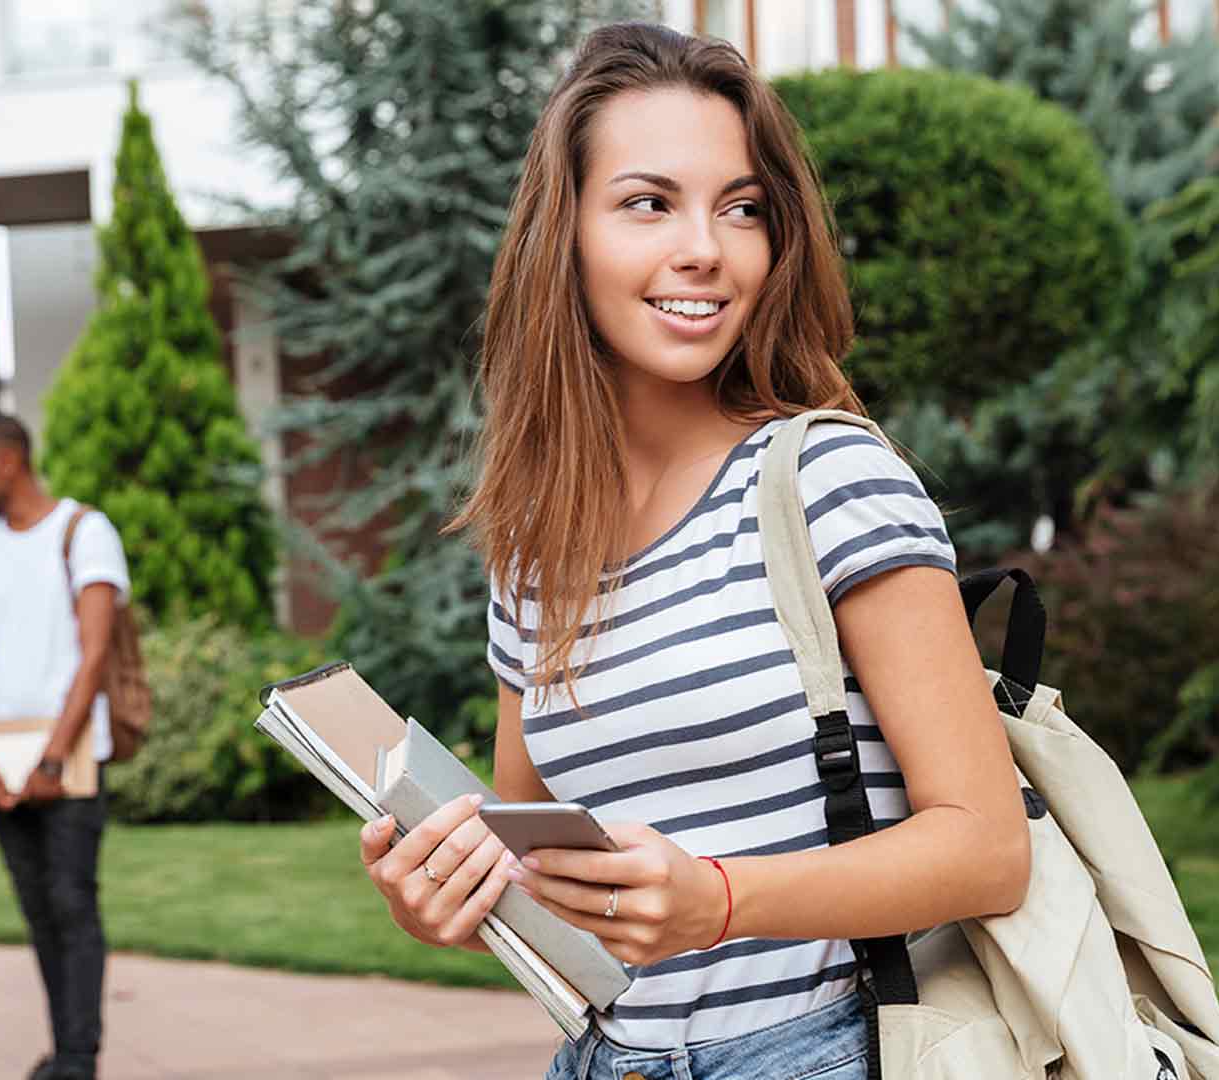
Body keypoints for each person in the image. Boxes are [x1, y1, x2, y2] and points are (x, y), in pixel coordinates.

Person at [357, 23, 1032, 1080]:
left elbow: (987, 846)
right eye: (647, 202)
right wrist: (451, 897)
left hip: (825, 1050)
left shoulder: (827, 482)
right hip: (605, 1057)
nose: (706, 248)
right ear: (565, 236)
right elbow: (552, 873)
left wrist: (719, 900)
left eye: (742, 208)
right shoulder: (532, 555)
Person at [0, 413, 129, 1080]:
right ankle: (63, 1050)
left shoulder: (84, 532)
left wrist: (53, 757)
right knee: (36, 908)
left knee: (72, 902)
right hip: (1, 761)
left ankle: (78, 1059)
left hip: (71, 757)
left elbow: (95, 653)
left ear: (9, 463)